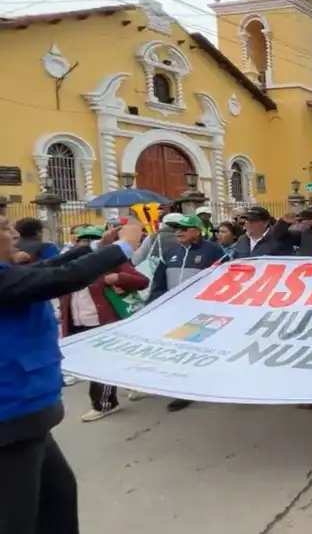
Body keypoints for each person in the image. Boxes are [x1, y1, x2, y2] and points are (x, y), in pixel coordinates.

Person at [0, 215, 143, 534]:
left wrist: (96, 247)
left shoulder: (9, 275)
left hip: (29, 420)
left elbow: (45, 271)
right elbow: (61, 279)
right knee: (17, 520)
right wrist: (123, 247)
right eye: (3, 228)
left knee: (58, 502)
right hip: (10, 424)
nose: (13, 234)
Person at [58, 226, 149, 423]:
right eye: (82, 239)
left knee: (101, 365)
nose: (85, 242)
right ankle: (130, 380)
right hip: (76, 323)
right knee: (97, 363)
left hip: (103, 322)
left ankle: (105, 403)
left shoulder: (112, 263)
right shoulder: (69, 265)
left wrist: (118, 278)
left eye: (91, 238)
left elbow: (142, 281)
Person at [149, 215, 225, 413]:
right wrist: (153, 306)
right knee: (178, 349)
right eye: (176, 228)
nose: (179, 231)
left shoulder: (213, 251)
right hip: (175, 312)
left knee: (204, 348)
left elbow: (225, 279)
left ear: (198, 231)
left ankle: (208, 383)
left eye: (184, 228)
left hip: (204, 311)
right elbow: (159, 283)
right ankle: (182, 390)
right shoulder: (170, 253)